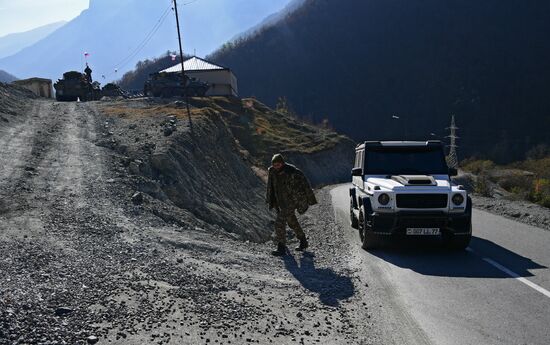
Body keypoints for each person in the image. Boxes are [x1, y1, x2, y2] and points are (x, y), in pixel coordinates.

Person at [266, 153, 317, 256]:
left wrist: (310, 199)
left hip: (292, 201)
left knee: (279, 222)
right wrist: (271, 199)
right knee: (291, 221)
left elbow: (305, 183)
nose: (276, 167)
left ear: (282, 163)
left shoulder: (292, 172)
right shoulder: (272, 171)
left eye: (278, 164)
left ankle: (281, 247)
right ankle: (303, 240)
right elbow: (270, 186)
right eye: (274, 164)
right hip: (280, 202)